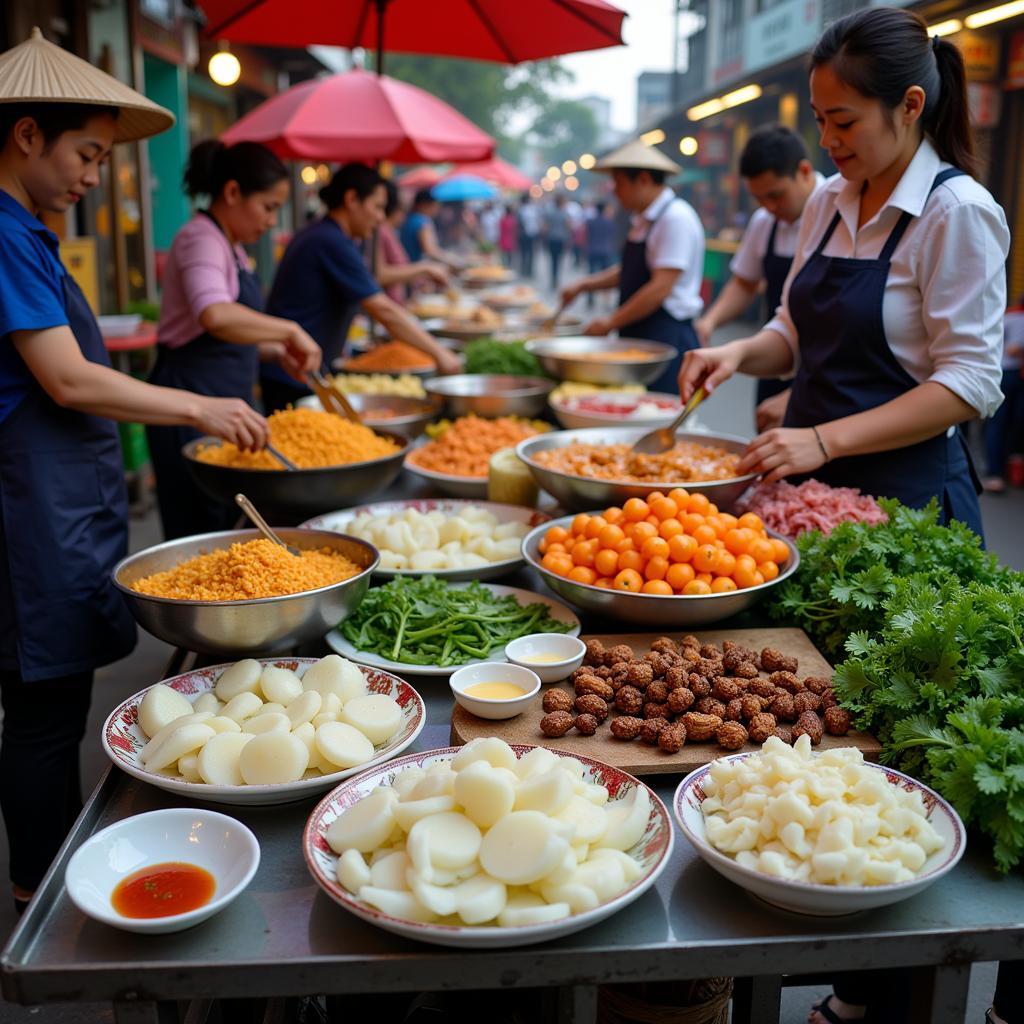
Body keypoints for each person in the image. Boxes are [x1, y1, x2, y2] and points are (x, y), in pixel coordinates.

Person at [0, 30, 270, 913]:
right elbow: (68, 377)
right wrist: (194, 406)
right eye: (86, 153)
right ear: (27, 135)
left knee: (55, 704)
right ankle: (40, 891)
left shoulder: (30, 236)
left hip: (56, 499)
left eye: (104, 158)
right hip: (27, 507)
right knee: (42, 714)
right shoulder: (5, 235)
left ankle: (45, 871)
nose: (93, 176)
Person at [679, 6, 1007, 549]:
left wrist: (823, 441)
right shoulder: (828, 200)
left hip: (907, 502)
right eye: (819, 119)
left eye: (845, 120)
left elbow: (969, 383)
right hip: (811, 492)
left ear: (909, 106)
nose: (828, 139)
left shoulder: (955, 212)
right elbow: (792, 331)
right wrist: (736, 356)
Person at [147, 140, 321, 540]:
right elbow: (215, 315)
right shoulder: (201, 238)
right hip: (189, 401)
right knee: (199, 529)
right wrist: (290, 330)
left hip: (224, 403)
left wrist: (275, 352)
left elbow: (225, 336)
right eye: (268, 207)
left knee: (228, 525)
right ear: (231, 192)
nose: (272, 221)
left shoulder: (232, 247)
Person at [260, 164, 460, 412]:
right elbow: (382, 309)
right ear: (352, 199)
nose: (380, 217)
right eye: (377, 207)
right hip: (291, 374)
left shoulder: (330, 236)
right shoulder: (329, 240)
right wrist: (439, 354)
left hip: (301, 369)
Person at [693, 125, 825, 430]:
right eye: (759, 198)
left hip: (827, 371)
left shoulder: (837, 212)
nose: (769, 206)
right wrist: (710, 321)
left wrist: (800, 394)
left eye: (776, 195)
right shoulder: (765, 221)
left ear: (804, 172)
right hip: (775, 356)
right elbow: (744, 282)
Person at [560, 140, 705, 393]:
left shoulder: (675, 219)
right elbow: (629, 272)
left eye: (620, 183)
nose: (615, 191)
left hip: (666, 336)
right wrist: (584, 285)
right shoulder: (644, 219)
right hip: (640, 331)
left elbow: (659, 288)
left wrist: (609, 322)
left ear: (644, 180)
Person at [375, 180, 449, 304]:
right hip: (388, 303)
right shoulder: (382, 231)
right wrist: (427, 269)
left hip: (400, 298)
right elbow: (380, 274)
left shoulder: (390, 230)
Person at [982, 301, 1024, 493]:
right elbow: (1013, 350)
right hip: (1008, 374)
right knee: (999, 424)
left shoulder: (1008, 315)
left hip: (1006, 374)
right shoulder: (1016, 318)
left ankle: (998, 471)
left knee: (1004, 424)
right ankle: (995, 473)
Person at [400, 187, 462, 270]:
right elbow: (430, 251)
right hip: (416, 270)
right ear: (424, 205)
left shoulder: (408, 219)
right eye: (435, 205)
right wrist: (454, 262)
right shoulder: (422, 221)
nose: (437, 209)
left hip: (408, 266)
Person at [584, 201, 617, 307]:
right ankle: (606, 300)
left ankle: (590, 298)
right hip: (605, 250)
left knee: (591, 275)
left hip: (592, 250)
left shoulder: (590, 221)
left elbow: (587, 235)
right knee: (606, 276)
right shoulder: (609, 222)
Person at [543, 195, 570, 291]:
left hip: (552, 239)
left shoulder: (550, 213)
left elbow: (545, 227)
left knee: (552, 260)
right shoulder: (564, 213)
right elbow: (568, 227)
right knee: (559, 260)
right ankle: (556, 278)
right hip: (560, 239)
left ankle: (553, 278)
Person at [518, 194, 541, 277]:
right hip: (533, 233)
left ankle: (524, 269)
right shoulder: (534, 209)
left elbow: (520, 223)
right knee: (531, 252)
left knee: (524, 252)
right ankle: (529, 269)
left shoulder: (521, 210)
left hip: (525, 234)